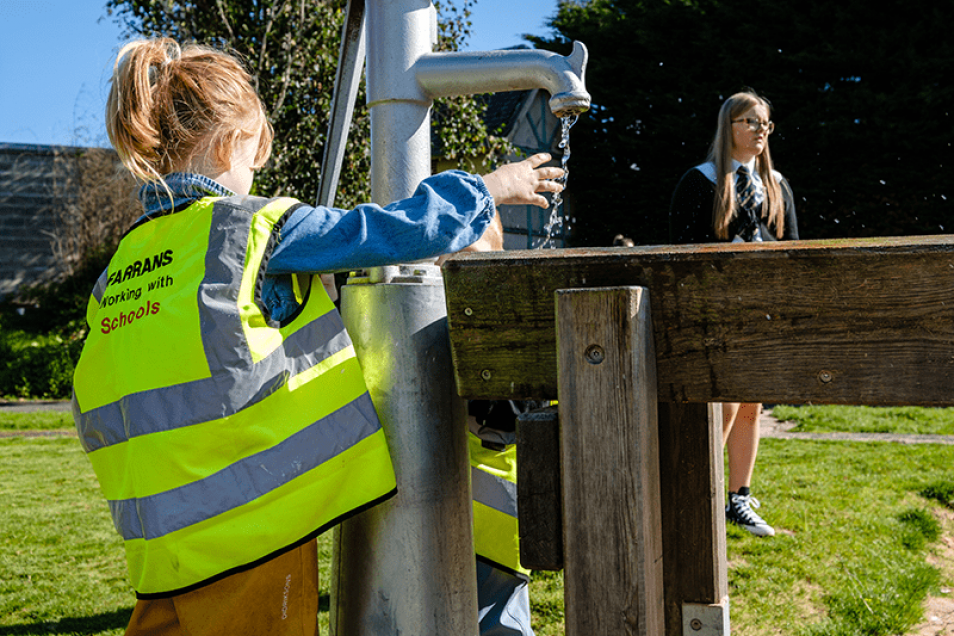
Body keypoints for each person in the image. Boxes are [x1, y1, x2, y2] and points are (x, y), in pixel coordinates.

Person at [70, 38, 564, 636]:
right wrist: (488, 188)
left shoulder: (125, 262)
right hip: (254, 530)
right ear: (233, 141)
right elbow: (390, 230)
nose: (257, 172)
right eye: (256, 154)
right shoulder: (252, 227)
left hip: (163, 542)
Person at [668, 90, 799, 538]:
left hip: (760, 315)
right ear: (730, 127)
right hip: (713, 313)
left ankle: (738, 498)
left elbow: (791, 253)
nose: (760, 131)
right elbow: (681, 257)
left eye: (766, 124)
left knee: (750, 404)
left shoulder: (776, 184)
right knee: (721, 405)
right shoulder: (700, 182)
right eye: (750, 122)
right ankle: (697, 496)